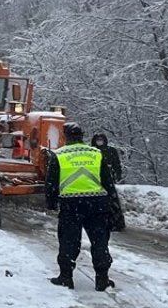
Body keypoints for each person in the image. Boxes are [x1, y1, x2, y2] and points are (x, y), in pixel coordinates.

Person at [46, 123, 119, 291]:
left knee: (69, 241)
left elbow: (51, 183)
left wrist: (51, 202)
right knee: (100, 241)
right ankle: (102, 279)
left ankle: (66, 277)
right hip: (97, 204)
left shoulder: (59, 155)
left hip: (70, 204)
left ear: (65, 137)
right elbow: (107, 181)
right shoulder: (96, 153)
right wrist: (113, 204)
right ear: (82, 136)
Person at [91, 133, 126, 232]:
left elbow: (116, 164)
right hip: (94, 180)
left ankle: (115, 222)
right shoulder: (91, 152)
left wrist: (117, 175)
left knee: (112, 202)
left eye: (101, 139)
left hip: (107, 180)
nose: (99, 141)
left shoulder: (111, 151)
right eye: (98, 139)